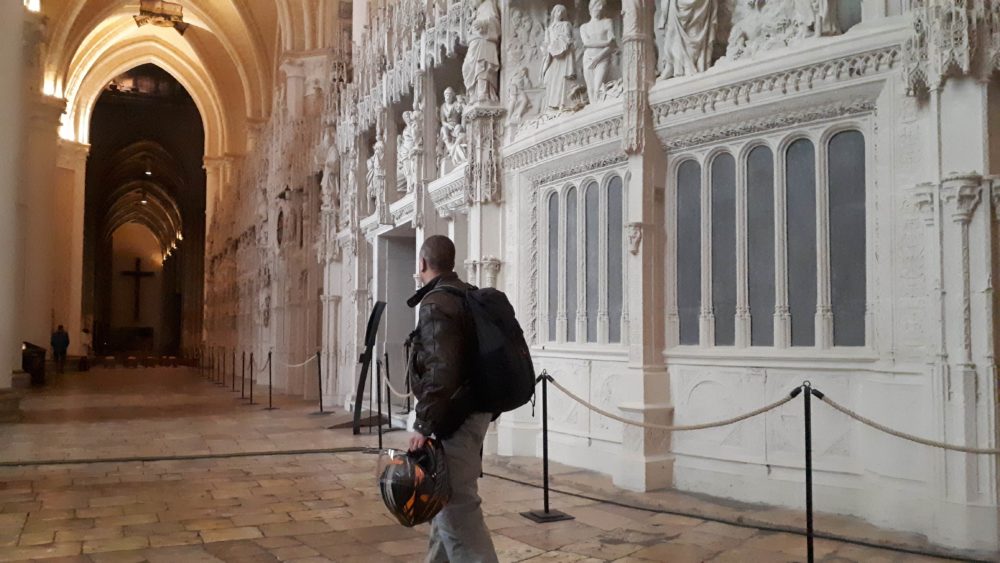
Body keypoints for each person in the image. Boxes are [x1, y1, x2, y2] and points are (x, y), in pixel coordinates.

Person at [407, 235, 498, 563]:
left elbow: (440, 372)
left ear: (422, 264)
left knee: (457, 509)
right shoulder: (467, 294)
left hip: (452, 419)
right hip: (473, 413)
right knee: (443, 504)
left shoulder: (435, 304)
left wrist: (423, 424)